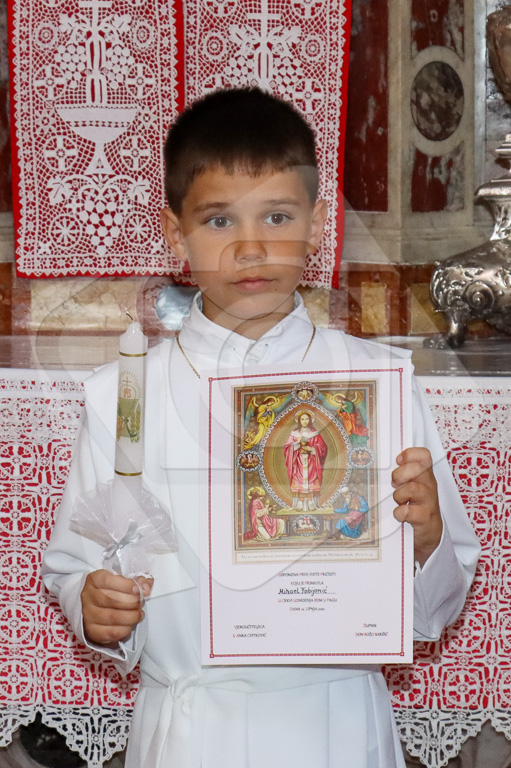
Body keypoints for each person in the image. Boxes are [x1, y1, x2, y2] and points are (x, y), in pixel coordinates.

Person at [42, 87, 481, 768]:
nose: (250, 248)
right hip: (190, 733)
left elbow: (436, 607)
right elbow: (80, 564)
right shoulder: (123, 397)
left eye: (277, 217)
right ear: (175, 235)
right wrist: (93, 605)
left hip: (339, 725)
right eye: (219, 221)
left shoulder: (380, 385)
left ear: (317, 223)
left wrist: (425, 540)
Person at [283, 409, 327, 510]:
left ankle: (311, 502)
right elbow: (287, 447)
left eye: (307, 419)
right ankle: (299, 503)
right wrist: (297, 443)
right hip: (298, 462)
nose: (304, 421)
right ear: (299, 420)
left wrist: (312, 449)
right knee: (298, 480)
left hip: (311, 461)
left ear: (310, 420)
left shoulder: (314, 433)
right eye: (302, 419)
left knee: (312, 480)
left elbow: (322, 447)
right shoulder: (295, 433)